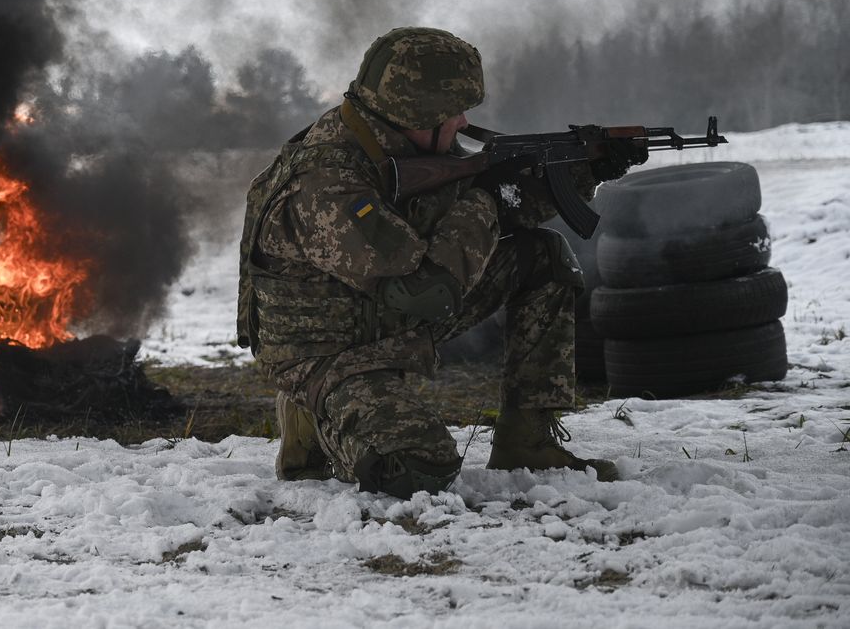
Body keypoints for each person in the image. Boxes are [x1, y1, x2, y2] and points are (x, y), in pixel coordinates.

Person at [237, 26, 629, 498]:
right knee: (417, 470)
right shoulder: (328, 180)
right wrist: (484, 200)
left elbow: (496, 211)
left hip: (377, 317)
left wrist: (584, 172)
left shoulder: (397, 144)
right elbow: (428, 292)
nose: (464, 122)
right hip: (325, 352)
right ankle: (313, 416)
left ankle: (527, 441)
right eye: (452, 111)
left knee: (541, 257)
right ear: (417, 112)